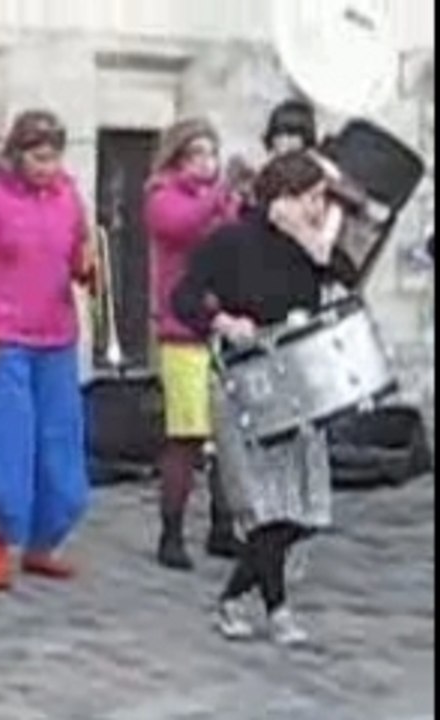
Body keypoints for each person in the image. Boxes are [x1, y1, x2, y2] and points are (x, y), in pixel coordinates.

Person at [173, 151, 343, 646]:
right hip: (247, 383)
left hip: (297, 381)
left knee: (303, 510)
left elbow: (351, 265)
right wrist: (224, 322)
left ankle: (233, 598)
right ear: (282, 199)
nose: (318, 208)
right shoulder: (232, 240)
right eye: (311, 198)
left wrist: (325, 232)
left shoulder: (311, 253)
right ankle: (278, 608)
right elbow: (184, 298)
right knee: (268, 507)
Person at [0, 110, 96, 592]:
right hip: (4, 335)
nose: (48, 166)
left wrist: (90, 271)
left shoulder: (69, 197)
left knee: (60, 448)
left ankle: (43, 543)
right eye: (38, 157)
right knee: (6, 446)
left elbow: (76, 259)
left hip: (56, 335)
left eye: (54, 157)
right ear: (17, 154)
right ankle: (1, 538)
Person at [144, 118, 243, 571]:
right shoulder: (162, 196)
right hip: (181, 331)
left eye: (212, 153)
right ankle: (172, 531)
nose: (207, 162)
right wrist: (222, 193)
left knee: (228, 434)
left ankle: (223, 526)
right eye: (198, 154)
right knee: (187, 434)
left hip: (221, 325)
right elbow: (183, 226)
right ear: (178, 157)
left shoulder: (218, 201)